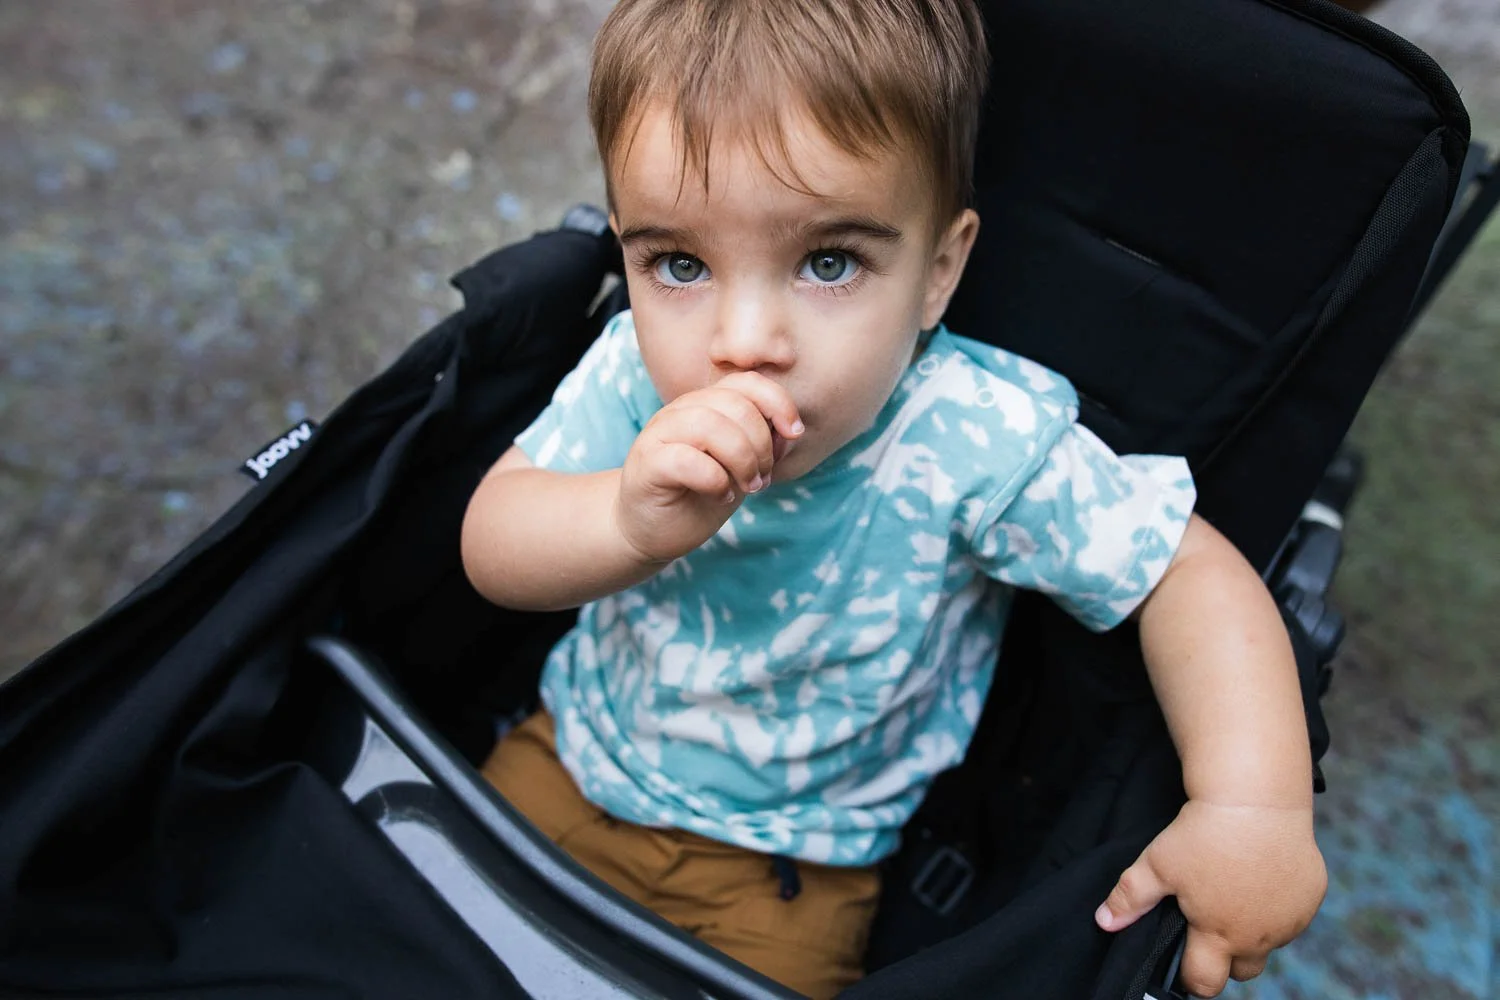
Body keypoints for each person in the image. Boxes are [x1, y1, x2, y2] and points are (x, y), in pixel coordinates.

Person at [460, 1, 1326, 996]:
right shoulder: (631, 378)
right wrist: (621, 519)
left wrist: (1252, 809)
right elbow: (492, 539)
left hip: (791, 872)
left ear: (937, 272)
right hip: (569, 761)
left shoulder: (970, 436)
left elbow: (1185, 570)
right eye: (681, 265)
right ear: (627, 255)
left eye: (828, 263)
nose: (744, 342)